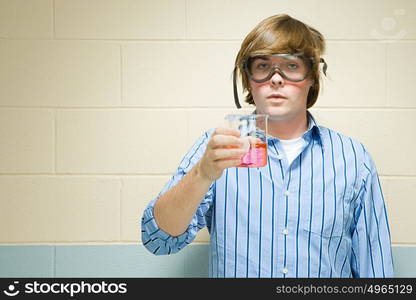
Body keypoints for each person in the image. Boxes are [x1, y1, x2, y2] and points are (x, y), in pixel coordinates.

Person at [141, 14, 394, 278]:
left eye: (292, 66)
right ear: (248, 78)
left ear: (312, 78)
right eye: (263, 66)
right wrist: (201, 174)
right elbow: (157, 239)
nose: (276, 78)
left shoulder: (353, 158)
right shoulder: (215, 150)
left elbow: (375, 269)